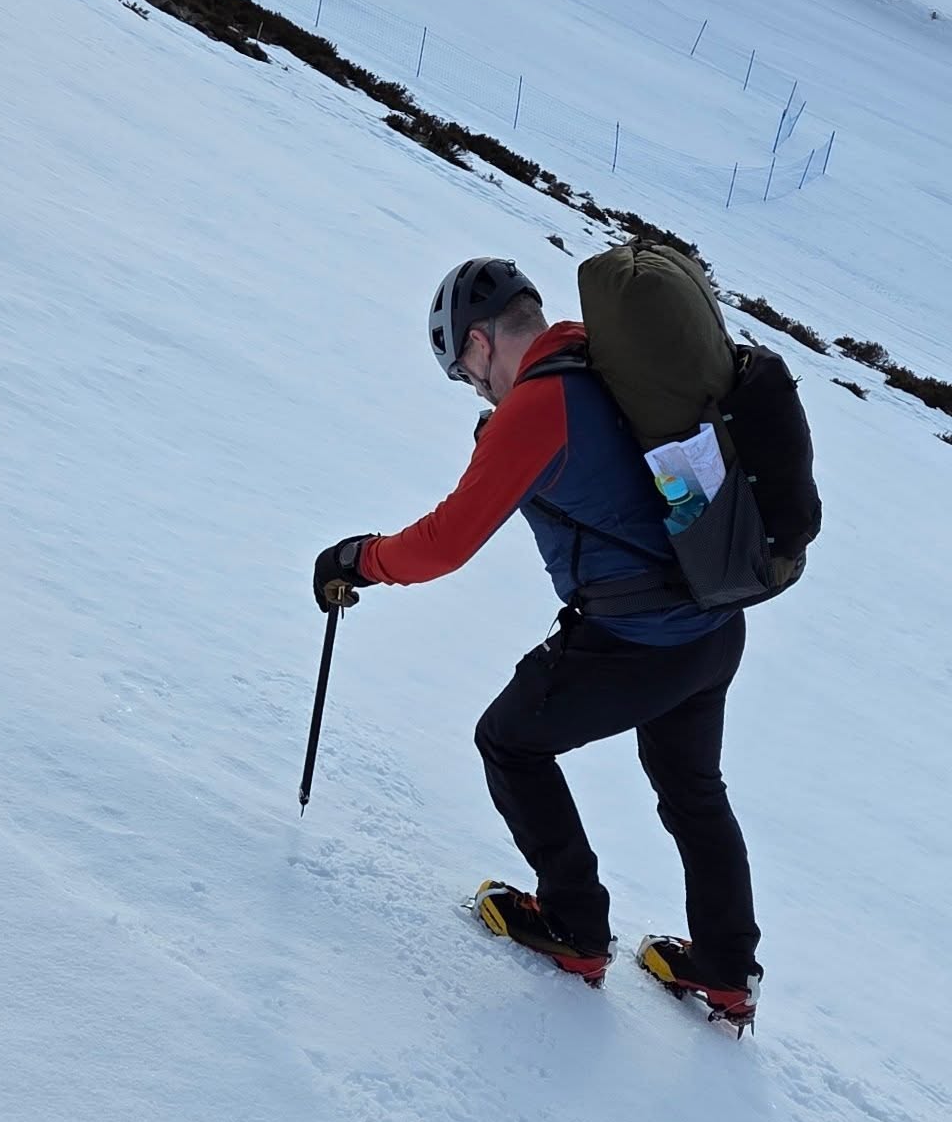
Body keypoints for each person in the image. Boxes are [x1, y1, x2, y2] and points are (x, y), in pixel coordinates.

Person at [312, 257, 761, 1027]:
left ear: (482, 342)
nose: (473, 387)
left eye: (463, 370)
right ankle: (726, 972)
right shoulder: (601, 354)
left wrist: (360, 559)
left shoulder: (538, 405)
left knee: (510, 741)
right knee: (693, 791)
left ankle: (575, 928)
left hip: (636, 641)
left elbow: (447, 543)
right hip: (714, 624)